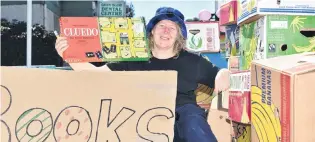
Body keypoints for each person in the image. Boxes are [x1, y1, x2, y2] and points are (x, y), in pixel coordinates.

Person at [55, 7, 230, 142]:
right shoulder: (133, 58)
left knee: (193, 119)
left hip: (183, 119)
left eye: (172, 28)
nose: (166, 31)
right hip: (143, 116)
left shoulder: (194, 61)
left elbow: (219, 73)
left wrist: (223, 74)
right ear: (152, 31)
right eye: (161, 26)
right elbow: (95, 74)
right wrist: (68, 55)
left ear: (179, 36)